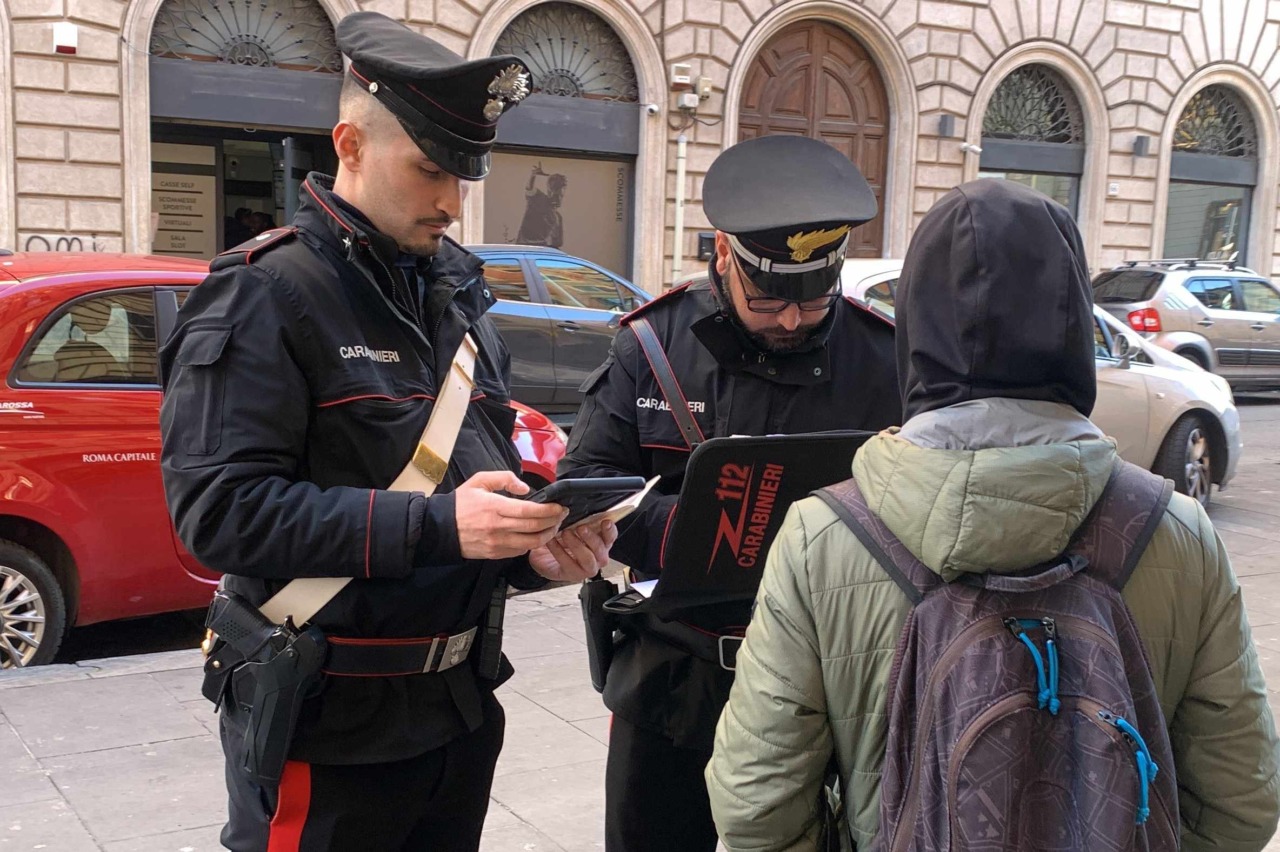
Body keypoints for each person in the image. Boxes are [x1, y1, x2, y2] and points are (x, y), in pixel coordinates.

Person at [706, 180, 1280, 851]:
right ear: (1073, 322)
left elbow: (757, 808)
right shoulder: (1176, 533)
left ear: (915, 328)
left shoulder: (821, 539)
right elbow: (1243, 796)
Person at [159, 12, 614, 851]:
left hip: (457, 720)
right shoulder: (266, 293)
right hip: (327, 734)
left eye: (465, 174)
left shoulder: (458, 296)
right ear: (351, 143)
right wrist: (443, 524)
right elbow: (217, 513)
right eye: (431, 169)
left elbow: (477, 485)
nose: (451, 199)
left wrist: (533, 550)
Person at [559, 134, 903, 852]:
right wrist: (706, 528)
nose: (790, 319)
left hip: (827, 685)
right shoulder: (649, 348)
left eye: (814, 302)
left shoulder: (883, 358)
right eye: (771, 297)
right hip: (675, 678)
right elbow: (583, 490)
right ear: (723, 253)